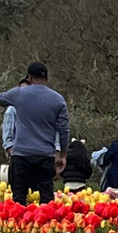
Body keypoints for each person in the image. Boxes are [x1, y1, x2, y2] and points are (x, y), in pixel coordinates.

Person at [0, 62, 69, 204]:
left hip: (21, 154)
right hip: (45, 155)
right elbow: (63, 130)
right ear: (47, 78)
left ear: (29, 77)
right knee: (46, 198)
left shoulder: (18, 94)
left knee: (18, 198)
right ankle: (46, 225)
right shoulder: (58, 99)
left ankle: (19, 225)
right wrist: (62, 154)